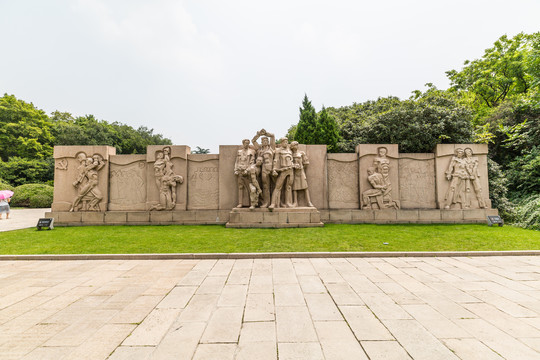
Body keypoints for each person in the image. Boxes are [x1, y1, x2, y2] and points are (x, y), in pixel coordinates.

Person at [290, 141, 314, 207]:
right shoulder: (290, 154)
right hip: (294, 172)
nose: (296, 146)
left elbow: (306, 162)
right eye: (295, 145)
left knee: (305, 187)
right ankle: (295, 202)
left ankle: (309, 202)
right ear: (292, 146)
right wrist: (294, 165)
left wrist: (302, 168)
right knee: (294, 188)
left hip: (301, 171)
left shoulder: (301, 153)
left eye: (297, 145)